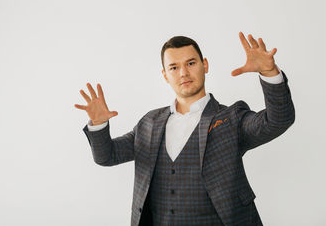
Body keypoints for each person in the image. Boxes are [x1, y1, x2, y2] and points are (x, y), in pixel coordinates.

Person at [74, 32, 295, 226]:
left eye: (191, 63)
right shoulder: (149, 123)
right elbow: (107, 156)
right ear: (165, 75)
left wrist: (269, 73)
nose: (183, 73)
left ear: (205, 65)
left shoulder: (231, 117)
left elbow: (277, 121)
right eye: (174, 67)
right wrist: (99, 125)